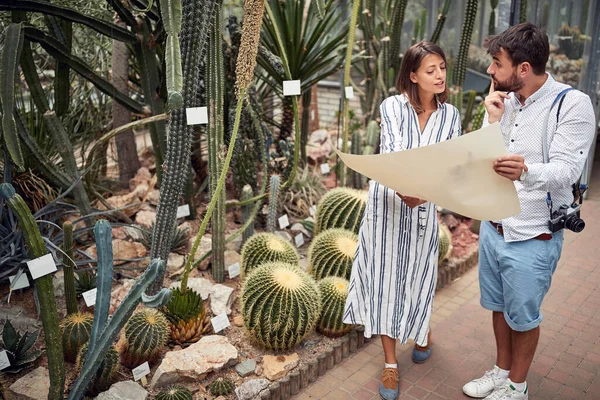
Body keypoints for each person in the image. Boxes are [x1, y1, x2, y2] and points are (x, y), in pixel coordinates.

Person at [462, 23, 596, 400]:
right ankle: (501, 372)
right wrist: (490, 121)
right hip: (494, 227)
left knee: (523, 317)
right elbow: (486, 159)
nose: (489, 71)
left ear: (523, 68)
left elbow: (568, 170)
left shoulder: (572, 104)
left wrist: (526, 171)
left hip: (533, 235)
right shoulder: (505, 102)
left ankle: (516, 387)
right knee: (499, 307)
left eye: (496, 63)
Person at [343, 41, 461, 400]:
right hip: (388, 208)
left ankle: (421, 330)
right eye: (430, 70)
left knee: (421, 276)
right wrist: (406, 190)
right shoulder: (391, 107)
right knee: (386, 281)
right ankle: (391, 364)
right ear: (413, 75)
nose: (439, 75)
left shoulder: (451, 115)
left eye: (442, 67)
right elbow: (394, 154)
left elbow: (450, 163)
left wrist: (426, 193)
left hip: (425, 207)